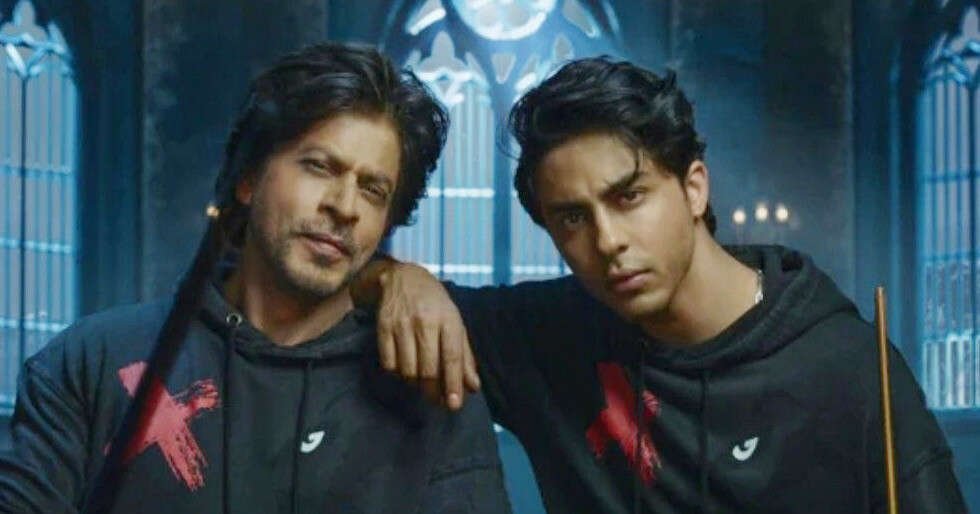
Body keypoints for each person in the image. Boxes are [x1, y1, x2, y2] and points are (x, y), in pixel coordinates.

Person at [352, 57, 967, 513]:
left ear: (694, 188)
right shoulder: (548, 337)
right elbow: (334, 281)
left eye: (629, 197)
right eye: (573, 218)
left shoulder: (848, 367)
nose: (608, 240)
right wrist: (401, 278)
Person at [0, 43, 511, 514]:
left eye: (373, 190)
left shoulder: (431, 392)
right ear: (248, 180)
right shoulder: (90, 362)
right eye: (319, 166)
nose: (344, 206)